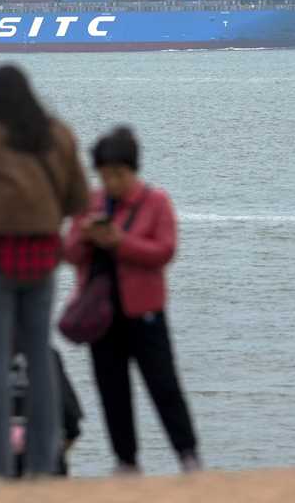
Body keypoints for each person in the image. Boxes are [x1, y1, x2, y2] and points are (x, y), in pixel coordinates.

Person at [0, 64, 89, 478]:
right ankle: (43, 463)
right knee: (40, 360)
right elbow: (79, 200)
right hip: (41, 260)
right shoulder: (59, 135)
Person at [64, 127, 200, 475]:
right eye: (104, 175)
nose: (111, 182)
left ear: (133, 170)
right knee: (112, 390)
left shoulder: (156, 203)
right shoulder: (90, 204)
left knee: (163, 384)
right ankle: (126, 461)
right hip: (102, 315)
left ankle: (187, 454)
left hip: (145, 311)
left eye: (118, 174)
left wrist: (119, 242)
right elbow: (70, 254)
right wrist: (86, 236)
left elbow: (164, 251)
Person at [0, 347, 84, 477]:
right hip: (46, 461)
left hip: (2, 463)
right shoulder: (48, 355)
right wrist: (59, 453)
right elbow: (71, 419)